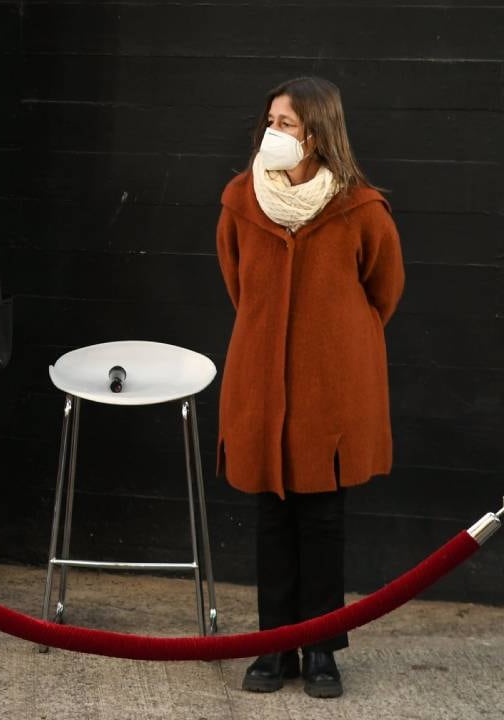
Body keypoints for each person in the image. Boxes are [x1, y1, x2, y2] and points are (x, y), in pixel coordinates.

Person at [215, 76, 404, 699]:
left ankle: (322, 648)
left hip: (332, 386)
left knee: (323, 517)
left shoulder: (360, 207)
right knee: (271, 515)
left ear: (317, 132)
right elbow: (237, 283)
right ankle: (274, 648)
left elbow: (384, 290)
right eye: (269, 120)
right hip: (261, 383)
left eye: (287, 123)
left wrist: (333, 341)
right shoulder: (242, 200)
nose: (273, 132)